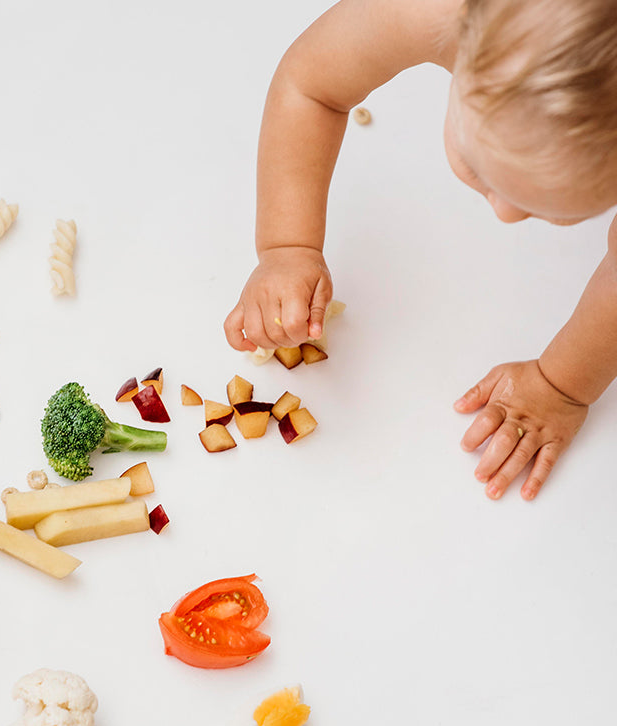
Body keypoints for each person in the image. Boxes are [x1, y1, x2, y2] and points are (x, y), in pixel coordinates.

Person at [224, 0, 617, 501]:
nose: (502, 213)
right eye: (478, 168)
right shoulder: (433, 10)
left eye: (551, 209)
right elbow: (311, 86)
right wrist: (287, 245)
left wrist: (561, 386)